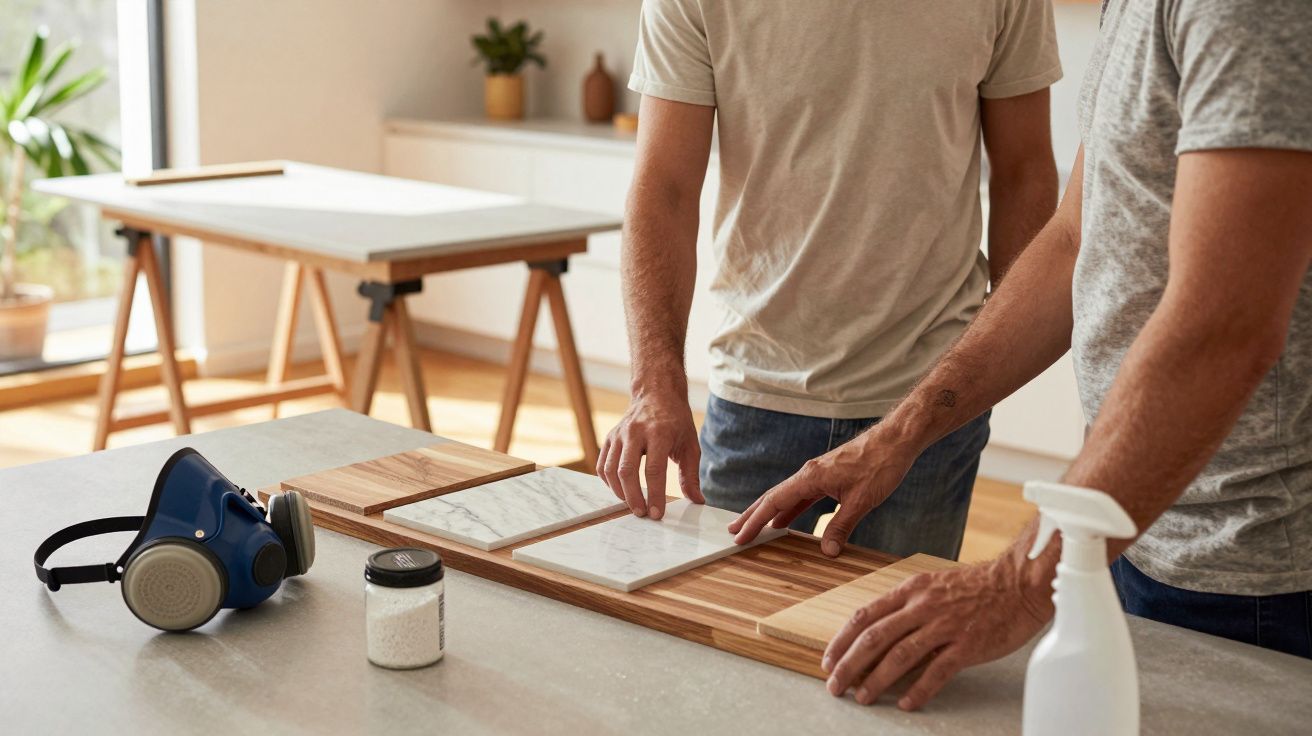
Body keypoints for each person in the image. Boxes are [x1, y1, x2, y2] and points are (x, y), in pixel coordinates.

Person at [731, 0, 1312, 710]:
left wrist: (1015, 583)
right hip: (1131, 526)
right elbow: (1075, 238)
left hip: (1258, 570)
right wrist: (902, 432)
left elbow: (1223, 324)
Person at [597, 0, 1063, 561]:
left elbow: (1026, 170)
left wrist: (986, 357)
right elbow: (665, 188)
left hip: (929, 400)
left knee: (892, 641)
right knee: (726, 636)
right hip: (758, 386)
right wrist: (655, 383)